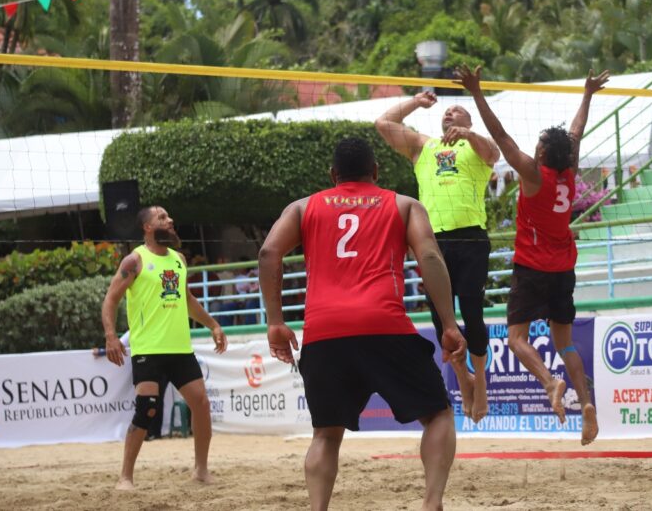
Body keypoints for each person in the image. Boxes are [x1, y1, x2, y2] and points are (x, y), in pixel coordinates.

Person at [259, 137, 467, 511]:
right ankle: (432, 501)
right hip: (384, 324)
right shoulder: (404, 205)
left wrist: (275, 321)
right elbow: (430, 255)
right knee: (437, 414)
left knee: (325, 434)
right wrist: (449, 324)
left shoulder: (303, 208)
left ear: (333, 174)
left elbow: (268, 252)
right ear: (376, 171)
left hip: (324, 332)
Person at [455, 64, 607, 446]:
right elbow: (577, 130)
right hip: (563, 269)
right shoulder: (568, 170)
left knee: (515, 340)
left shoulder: (532, 173)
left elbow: (501, 135)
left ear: (541, 152)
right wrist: (587, 93)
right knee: (566, 343)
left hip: (532, 268)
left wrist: (476, 91)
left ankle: (549, 382)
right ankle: (586, 406)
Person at [376, 90, 499, 421]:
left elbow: (493, 152)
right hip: (432, 241)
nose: (450, 113)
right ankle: (463, 378)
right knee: (440, 318)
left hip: (471, 236)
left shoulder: (475, 146)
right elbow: (383, 123)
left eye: (458, 110)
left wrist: (470, 133)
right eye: (447, 111)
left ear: (468, 121)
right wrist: (416, 102)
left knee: (472, 308)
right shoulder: (425, 146)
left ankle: (481, 384)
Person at [101, 206, 228, 490]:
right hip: (149, 349)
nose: (169, 220)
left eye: (169, 217)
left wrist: (213, 325)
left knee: (202, 404)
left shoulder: (179, 259)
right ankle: (125, 477)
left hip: (180, 348)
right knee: (146, 410)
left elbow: (187, 299)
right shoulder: (135, 261)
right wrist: (111, 336)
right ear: (147, 227)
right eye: (162, 218)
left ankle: (201, 470)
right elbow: (110, 300)